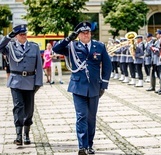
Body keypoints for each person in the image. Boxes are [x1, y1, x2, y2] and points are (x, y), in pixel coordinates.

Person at [52, 21, 112, 155]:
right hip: (78, 87)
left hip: (94, 87)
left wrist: (104, 85)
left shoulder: (99, 46)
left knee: (91, 118)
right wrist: (69, 38)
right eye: (83, 33)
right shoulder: (72, 46)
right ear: (78, 35)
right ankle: (82, 147)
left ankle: (89, 144)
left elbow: (107, 66)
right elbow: (56, 49)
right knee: (81, 116)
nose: (86, 35)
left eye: (88, 32)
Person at [0, 24, 43, 145]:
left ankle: (26, 134)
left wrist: (38, 83)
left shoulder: (34, 47)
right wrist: (8, 36)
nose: (23, 36)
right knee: (18, 107)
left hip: (30, 81)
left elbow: (38, 66)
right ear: (16, 36)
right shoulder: (10, 47)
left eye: (25, 34)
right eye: (20, 34)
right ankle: (18, 135)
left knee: (29, 110)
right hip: (16, 81)